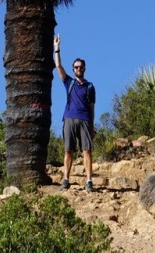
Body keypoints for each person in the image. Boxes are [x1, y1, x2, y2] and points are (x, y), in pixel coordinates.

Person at [54, 33, 96, 191]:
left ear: (84, 68)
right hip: (69, 119)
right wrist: (56, 48)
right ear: (73, 69)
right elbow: (58, 66)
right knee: (68, 150)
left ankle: (89, 181)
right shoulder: (69, 82)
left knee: (87, 151)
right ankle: (66, 179)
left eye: (80, 67)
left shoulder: (90, 86)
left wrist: (92, 126)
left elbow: (92, 107)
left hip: (85, 120)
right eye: (76, 67)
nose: (78, 69)